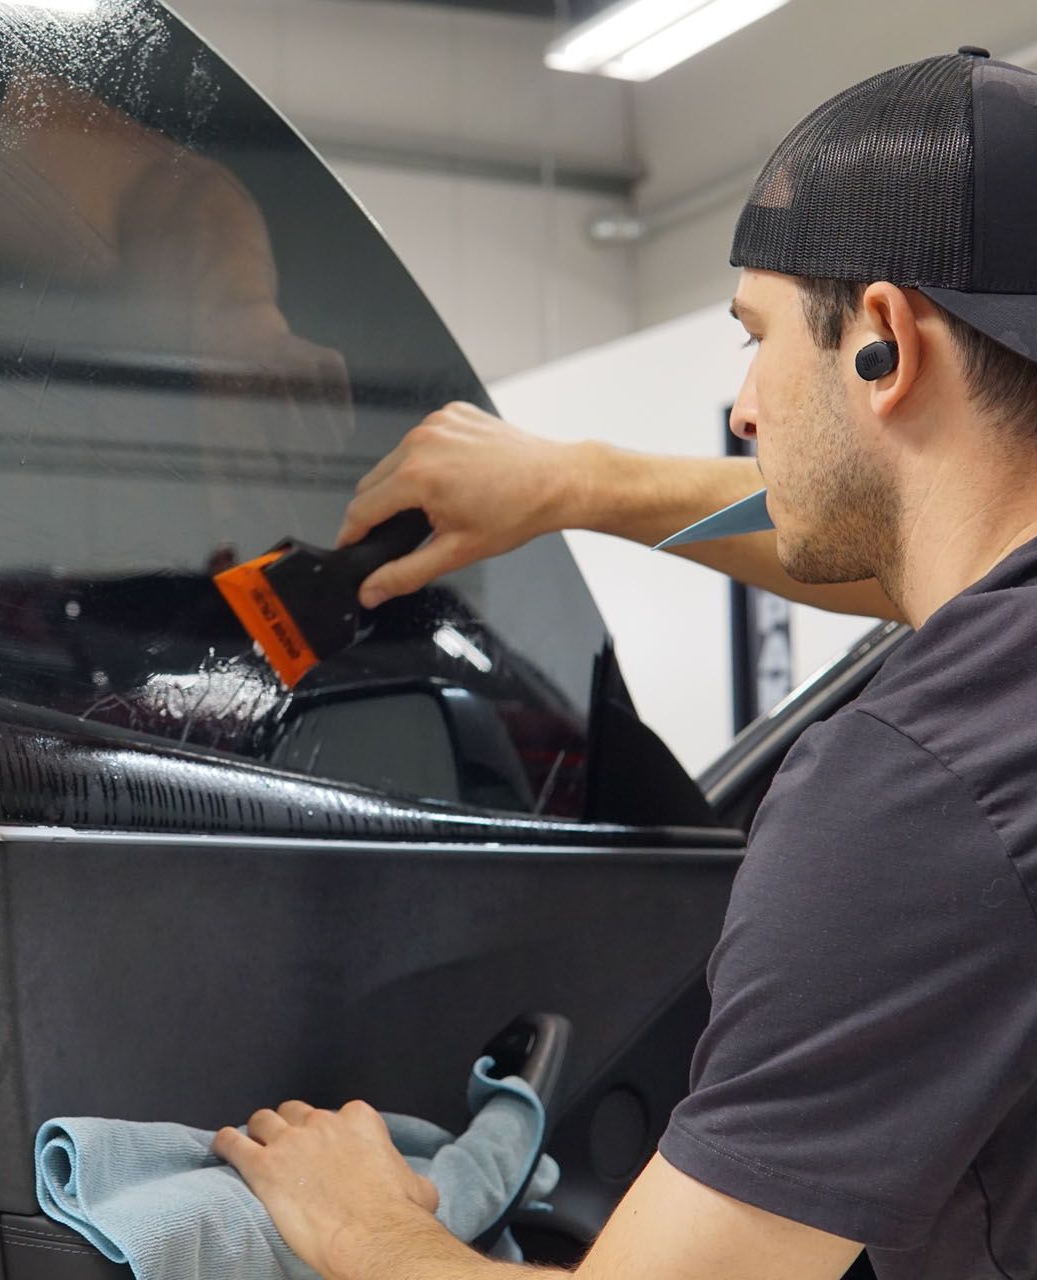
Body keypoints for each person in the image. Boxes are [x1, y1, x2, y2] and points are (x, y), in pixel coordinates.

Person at [212, 48, 1037, 1280]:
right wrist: (579, 484)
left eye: (756, 336)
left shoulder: (916, 791)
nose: (744, 406)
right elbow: (915, 547)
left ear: (881, 342)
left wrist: (363, 1222)